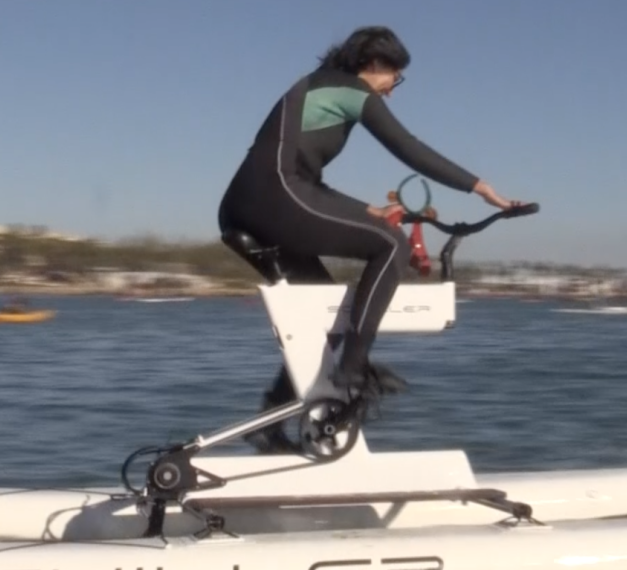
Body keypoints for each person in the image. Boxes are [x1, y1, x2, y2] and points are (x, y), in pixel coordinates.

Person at [217, 26, 526, 451]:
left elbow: (305, 177)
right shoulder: (350, 90)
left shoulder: (322, 87)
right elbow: (409, 148)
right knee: (391, 245)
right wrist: (479, 187)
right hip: (273, 196)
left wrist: (367, 211)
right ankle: (351, 371)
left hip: (258, 199)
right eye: (393, 79)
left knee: (330, 314)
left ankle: (270, 419)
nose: (392, 91)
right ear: (374, 64)